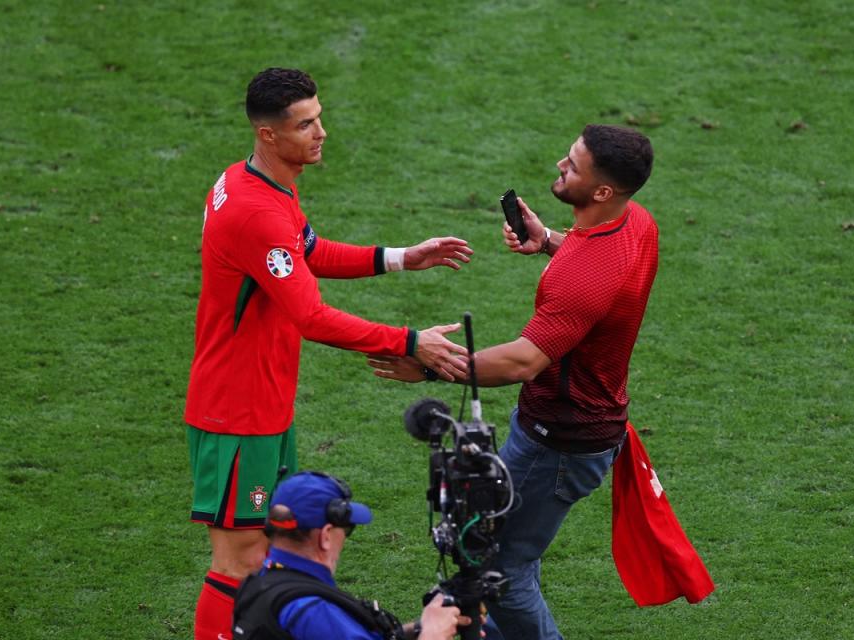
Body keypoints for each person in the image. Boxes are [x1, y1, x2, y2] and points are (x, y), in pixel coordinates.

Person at [185, 67, 472, 640]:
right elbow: (310, 316)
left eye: (319, 117)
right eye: (306, 124)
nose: (321, 132)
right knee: (237, 561)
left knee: (265, 551)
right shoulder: (257, 211)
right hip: (236, 409)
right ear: (269, 134)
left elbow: (306, 249)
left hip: (259, 400)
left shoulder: (258, 182)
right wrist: (411, 341)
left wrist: (399, 257)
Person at [369, 124, 657, 639]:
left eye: (572, 165)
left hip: (559, 442)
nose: (559, 166)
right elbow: (594, 265)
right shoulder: (636, 223)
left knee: (498, 570)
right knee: (509, 547)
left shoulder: (584, 276)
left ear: (602, 192)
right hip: (571, 429)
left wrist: (433, 363)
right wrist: (547, 240)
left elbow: (526, 361)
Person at [232, 471, 468, 640]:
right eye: (346, 529)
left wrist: (418, 628)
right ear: (325, 536)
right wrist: (433, 633)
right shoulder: (311, 611)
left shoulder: (262, 583)